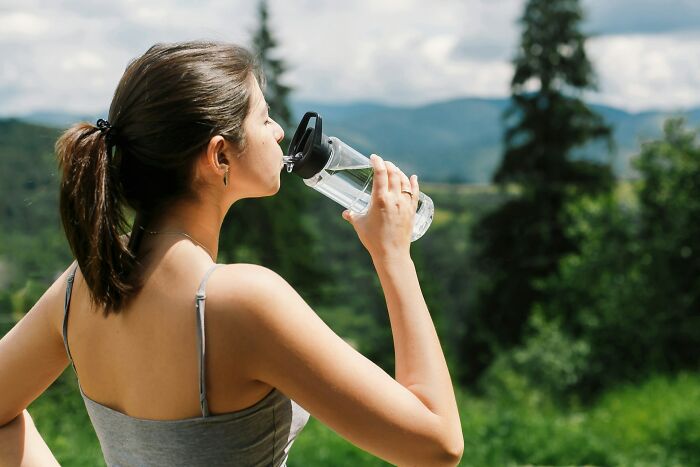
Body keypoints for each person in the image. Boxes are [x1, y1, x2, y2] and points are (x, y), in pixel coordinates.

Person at [0, 41, 463, 466]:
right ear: (220, 156)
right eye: (264, 118)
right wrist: (393, 256)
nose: (281, 132)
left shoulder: (84, 283)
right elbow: (437, 447)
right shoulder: (241, 301)